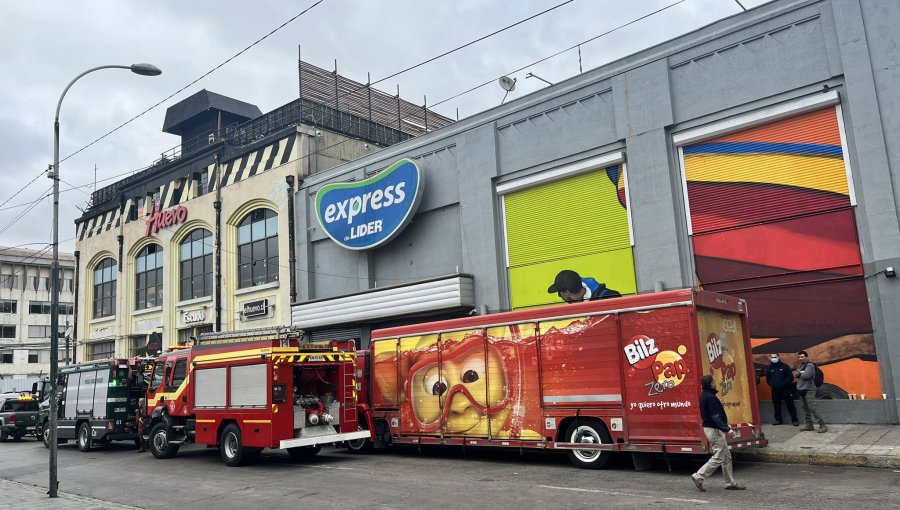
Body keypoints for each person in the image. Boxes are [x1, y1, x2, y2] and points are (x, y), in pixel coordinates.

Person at [691, 374, 746, 492]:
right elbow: (715, 417)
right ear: (711, 384)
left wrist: (717, 403)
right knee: (719, 456)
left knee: (726, 457)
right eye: (714, 381)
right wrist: (727, 429)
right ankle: (699, 476)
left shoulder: (706, 396)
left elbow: (712, 412)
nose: (715, 382)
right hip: (714, 430)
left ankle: (730, 483)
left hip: (712, 428)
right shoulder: (711, 398)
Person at [795, 350, 827, 433]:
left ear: (806, 357)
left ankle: (822, 425)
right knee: (805, 408)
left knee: (813, 408)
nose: (801, 358)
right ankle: (809, 425)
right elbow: (795, 375)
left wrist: (799, 373)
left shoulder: (810, 365)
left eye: (802, 357)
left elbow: (806, 376)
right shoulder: (800, 366)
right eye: (799, 357)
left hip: (809, 389)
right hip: (801, 389)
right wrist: (800, 372)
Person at [547, 269, 621, 303]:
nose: (559, 296)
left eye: (559, 293)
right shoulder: (571, 309)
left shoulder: (609, 297)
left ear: (567, 292)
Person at [765, 354, 799, 426]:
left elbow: (790, 377)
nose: (773, 358)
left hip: (785, 389)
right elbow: (768, 379)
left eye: (775, 357)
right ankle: (778, 420)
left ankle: (794, 420)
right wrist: (772, 384)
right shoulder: (769, 368)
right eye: (772, 357)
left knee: (790, 404)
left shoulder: (785, 366)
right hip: (775, 390)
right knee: (776, 405)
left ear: (778, 357)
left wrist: (784, 383)